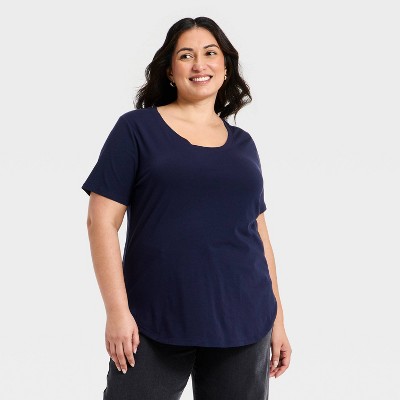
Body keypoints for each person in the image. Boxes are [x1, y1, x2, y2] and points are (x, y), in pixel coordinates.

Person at [82, 16, 292, 400]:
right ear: (169, 70)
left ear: (225, 67)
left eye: (210, 53)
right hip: (152, 320)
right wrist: (116, 311)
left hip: (245, 320)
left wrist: (277, 320)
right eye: (185, 55)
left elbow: (259, 234)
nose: (199, 64)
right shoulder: (136, 129)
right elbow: (101, 222)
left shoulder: (244, 145)